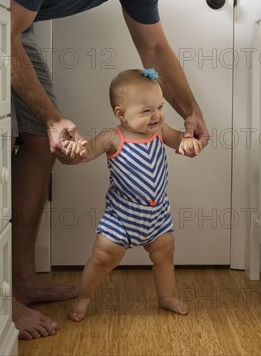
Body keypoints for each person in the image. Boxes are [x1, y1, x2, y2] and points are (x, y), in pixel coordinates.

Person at [10, 0, 209, 339]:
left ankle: (22, 279)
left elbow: (153, 46)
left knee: (39, 142)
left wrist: (191, 110)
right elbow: (2, 34)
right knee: (1, 141)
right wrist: (53, 116)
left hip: (14, 23)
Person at [64, 68, 202, 321]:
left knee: (165, 254)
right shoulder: (112, 138)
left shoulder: (160, 131)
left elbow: (179, 143)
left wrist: (189, 143)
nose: (156, 115)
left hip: (157, 215)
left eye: (159, 107)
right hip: (122, 217)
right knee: (103, 258)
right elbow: (86, 153)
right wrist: (75, 149)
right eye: (146, 110)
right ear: (121, 114)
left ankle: (166, 297)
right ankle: (83, 298)